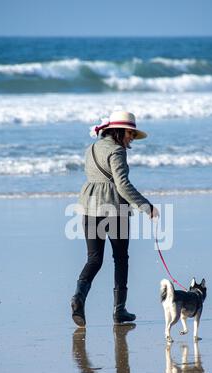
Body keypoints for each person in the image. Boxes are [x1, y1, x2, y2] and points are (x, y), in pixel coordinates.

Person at [71, 110, 159, 327]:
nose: (131, 138)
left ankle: (78, 298)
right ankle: (119, 311)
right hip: (113, 208)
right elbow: (122, 185)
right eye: (130, 133)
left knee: (94, 259)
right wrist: (145, 206)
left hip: (89, 207)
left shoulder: (90, 148)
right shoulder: (117, 151)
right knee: (120, 258)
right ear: (119, 131)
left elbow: (94, 178)